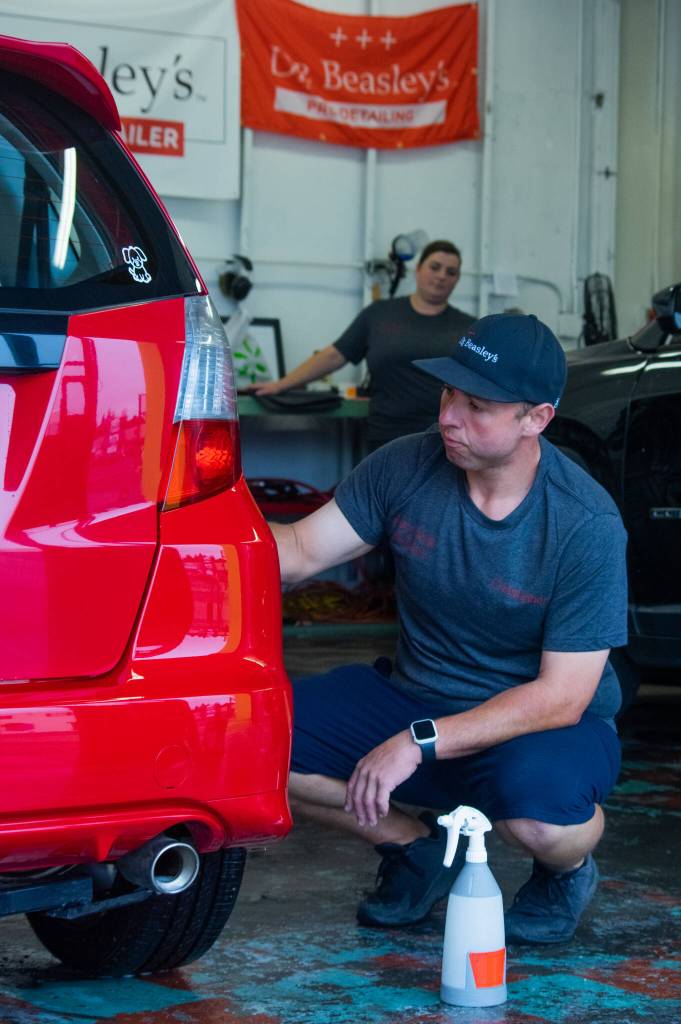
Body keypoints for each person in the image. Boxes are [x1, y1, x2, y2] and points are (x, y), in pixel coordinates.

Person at [270, 313, 628, 943]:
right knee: (254, 742)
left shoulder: (584, 521)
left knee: (544, 818)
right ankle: (419, 848)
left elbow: (562, 695)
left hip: (538, 726)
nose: (449, 418)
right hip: (419, 695)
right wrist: (185, 532)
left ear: (535, 419)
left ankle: (567, 871)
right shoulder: (404, 467)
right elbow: (297, 550)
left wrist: (418, 741)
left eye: (478, 405)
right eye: (448, 394)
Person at [252, 240, 474, 450]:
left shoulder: (468, 327)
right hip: (387, 436)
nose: (441, 276)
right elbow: (334, 355)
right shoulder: (380, 314)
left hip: (446, 439)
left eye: (451, 272)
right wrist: (280, 386)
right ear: (418, 269)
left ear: (457, 279)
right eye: (435, 267)